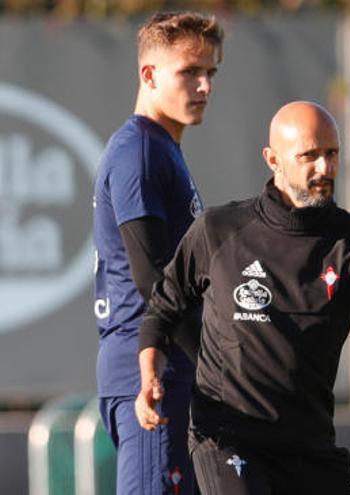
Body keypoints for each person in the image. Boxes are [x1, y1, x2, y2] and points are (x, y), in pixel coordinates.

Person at [134, 101, 350, 494]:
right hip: (229, 439)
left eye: (332, 153)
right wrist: (150, 375)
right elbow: (163, 309)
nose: (324, 168)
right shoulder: (219, 230)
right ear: (273, 159)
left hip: (309, 447)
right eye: (309, 156)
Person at [92, 11, 223, 494]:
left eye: (211, 73)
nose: (205, 85)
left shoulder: (162, 148)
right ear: (149, 74)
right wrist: (218, 365)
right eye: (190, 71)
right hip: (152, 371)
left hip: (168, 365)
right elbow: (152, 278)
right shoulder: (140, 152)